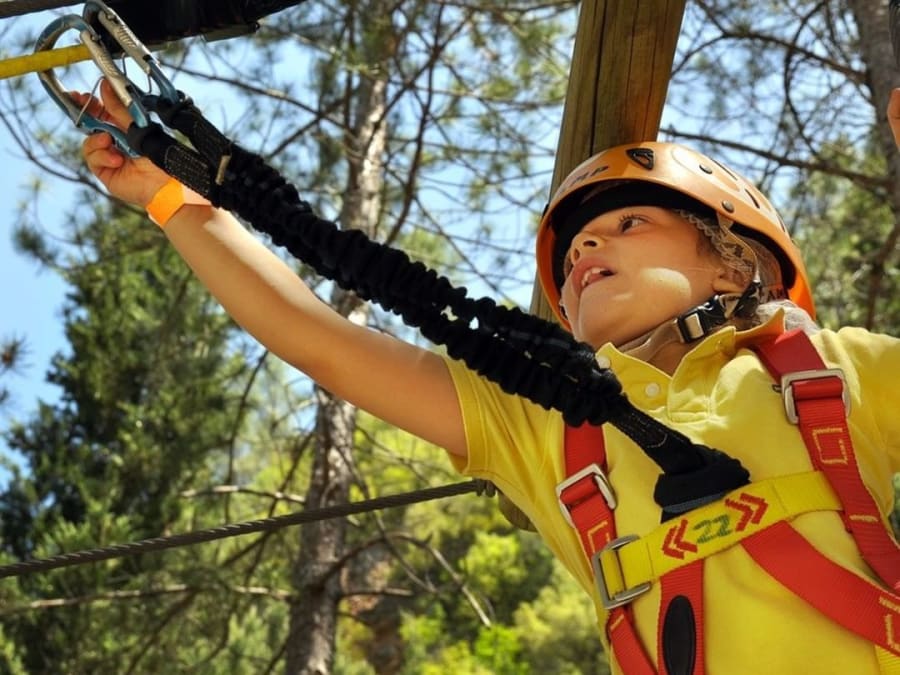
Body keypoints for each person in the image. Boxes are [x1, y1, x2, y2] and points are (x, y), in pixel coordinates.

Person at [77, 78, 900, 674]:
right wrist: (173, 201)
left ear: (731, 265)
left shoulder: (832, 369)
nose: (585, 253)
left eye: (626, 222)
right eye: (574, 252)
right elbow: (318, 340)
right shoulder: (549, 423)